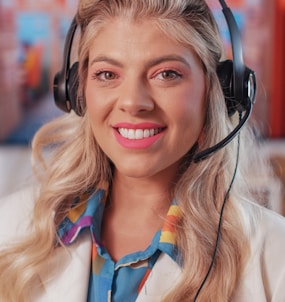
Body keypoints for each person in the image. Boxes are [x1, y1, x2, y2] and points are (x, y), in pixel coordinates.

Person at [1, 0, 285, 301]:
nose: (133, 102)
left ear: (219, 90)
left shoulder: (275, 256)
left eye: (166, 74)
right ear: (76, 91)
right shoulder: (10, 225)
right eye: (108, 74)